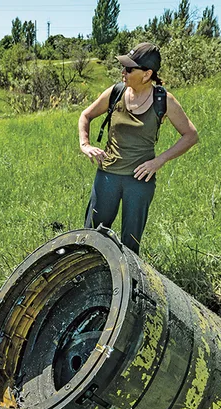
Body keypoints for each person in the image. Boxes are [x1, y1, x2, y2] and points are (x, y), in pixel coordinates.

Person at [78, 43, 199, 254]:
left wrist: (159, 161)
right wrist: (85, 144)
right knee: (93, 237)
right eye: (123, 67)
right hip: (108, 175)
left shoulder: (164, 100)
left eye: (129, 69)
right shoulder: (116, 92)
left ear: (147, 74)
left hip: (140, 181)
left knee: (130, 244)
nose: (123, 72)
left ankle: (128, 283)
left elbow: (191, 135)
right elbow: (85, 115)